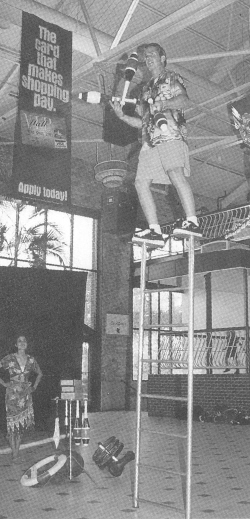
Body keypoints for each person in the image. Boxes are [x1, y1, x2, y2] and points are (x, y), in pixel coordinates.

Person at [110, 43, 202, 246]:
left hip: (169, 134)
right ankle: (154, 231)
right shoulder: (145, 89)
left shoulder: (171, 77)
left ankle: (192, 222)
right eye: (146, 55)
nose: (148, 57)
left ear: (163, 58)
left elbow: (185, 101)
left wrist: (165, 103)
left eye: (152, 54)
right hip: (150, 142)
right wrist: (122, 116)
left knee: (175, 173)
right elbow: (144, 122)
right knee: (140, 183)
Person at [0, 335, 43, 462]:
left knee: (20, 425)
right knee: (12, 425)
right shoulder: (9, 358)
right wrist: (4, 383)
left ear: (27, 344)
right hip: (12, 394)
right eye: (19, 341)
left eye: (24, 341)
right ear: (15, 344)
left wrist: (34, 387)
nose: (22, 343)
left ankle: (16, 452)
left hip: (25, 394)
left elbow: (40, 373)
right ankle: (14, 452)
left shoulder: (31, 360)